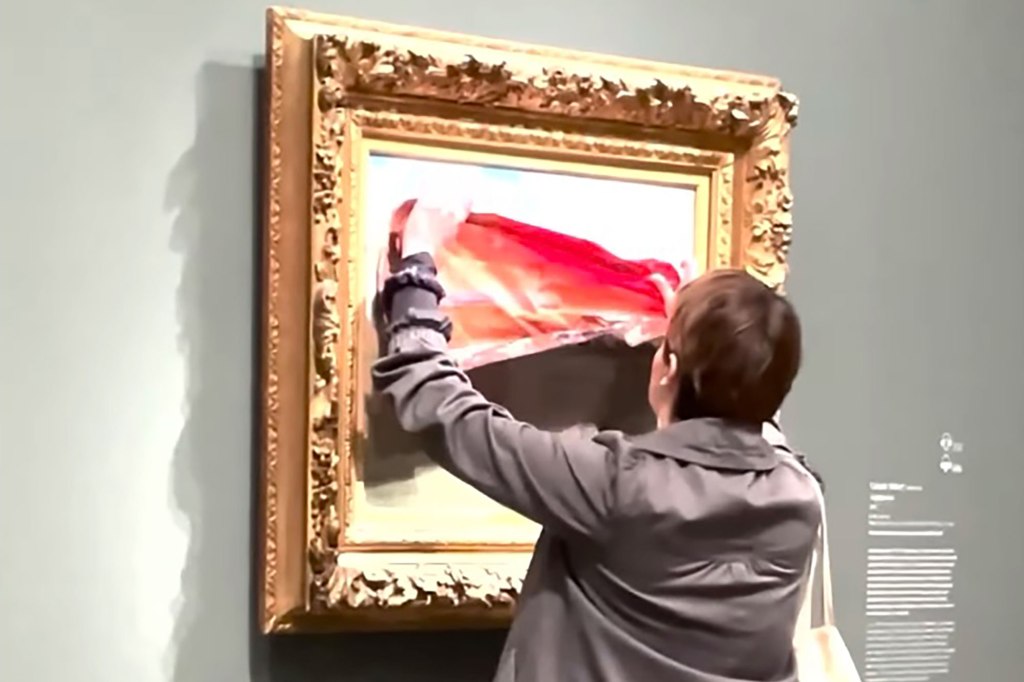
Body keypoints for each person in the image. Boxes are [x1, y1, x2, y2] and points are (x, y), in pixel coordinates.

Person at [372, 197, 822, 682]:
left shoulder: (616, 485)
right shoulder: (800, 497)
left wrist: (417, 258)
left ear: (665, 367)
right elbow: (756, 409)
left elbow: (440, 407)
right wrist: (703, 337)